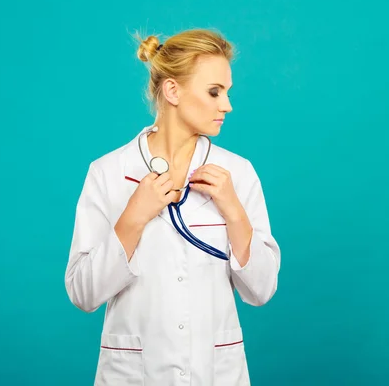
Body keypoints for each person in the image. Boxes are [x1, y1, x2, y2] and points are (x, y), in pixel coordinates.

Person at [64, 28, 281, 385]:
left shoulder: (238, 174)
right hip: (133, 375)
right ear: (172, 90)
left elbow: (261, 290)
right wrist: (133, 217)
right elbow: (83, 294)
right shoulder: (108, 173)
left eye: (227, 92)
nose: (227, 105)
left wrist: (234, 211)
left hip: (216, 373)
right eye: (214, 92)